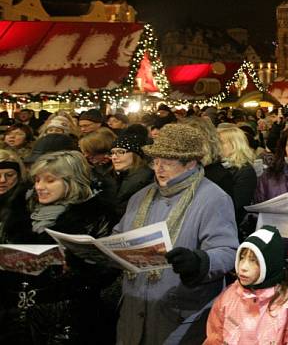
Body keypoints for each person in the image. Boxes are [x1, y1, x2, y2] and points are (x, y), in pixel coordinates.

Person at [115, 123, 239, 345]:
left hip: (180, 316)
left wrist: (199, 261)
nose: (159, 169)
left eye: (168, 163)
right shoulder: (140, 197)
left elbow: (228, 251)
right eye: (156, 161)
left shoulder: (213, 198)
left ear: (190, 163)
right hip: (133, 314)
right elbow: (119, 237)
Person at [6, 151, 117, 343]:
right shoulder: (19, 212)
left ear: (72, 181)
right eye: (37, 180)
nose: (40, 187)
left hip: (70, 320)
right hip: (15, 318)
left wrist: (73, 266)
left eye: (49, 181)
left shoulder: (97, 216)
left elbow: (109, 272)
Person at [205, 226, 288, 344]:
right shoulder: (229, 296)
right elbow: (214, 338)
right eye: (242, 258)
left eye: (253, 260)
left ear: (269, 264)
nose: (243, 267)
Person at [107, 126, 154, 218]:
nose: (114, 157)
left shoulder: (143, 181)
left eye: (121, 152)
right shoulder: (117, 176)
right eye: (112, 153)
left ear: (136, 154)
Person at [218, 125, 259, 228]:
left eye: (221, 142)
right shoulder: (217, 167)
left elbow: (237, 204)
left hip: (231, 224)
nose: (216, 146)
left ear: (235, 145)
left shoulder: (245, 171)